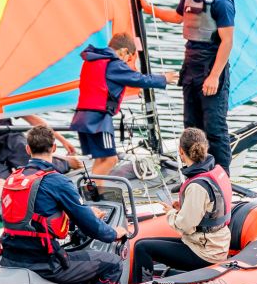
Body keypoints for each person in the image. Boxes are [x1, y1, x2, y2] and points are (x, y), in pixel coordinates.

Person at [137, 0, 235, 172]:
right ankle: (196, 172)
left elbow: (227, 42)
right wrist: (148, 9)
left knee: (214, 128)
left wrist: (214, 76)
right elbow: (178, 16)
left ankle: (222, 178)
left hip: (212, 68)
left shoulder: (221, 2)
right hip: (190, 69)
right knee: (191, 127)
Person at [0, 126, 126, 284]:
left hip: (9, 257)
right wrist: (114, 233)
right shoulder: (57, 181)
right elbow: (93, 229)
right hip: (44, 263)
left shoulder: (13, 179)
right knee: (112, 263)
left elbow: (33, 216)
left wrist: (78, 217)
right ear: (54, 148)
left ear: (28, 149)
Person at [130, 128, 231, 284]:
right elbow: (207, 211)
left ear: (181, 151)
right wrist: (181, 209)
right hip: (213, 243)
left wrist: (170, 213)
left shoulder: (197, 186)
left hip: (205, 253)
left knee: (142, 247)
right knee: (144, 243)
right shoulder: (212, 172)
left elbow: (185, 226)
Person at [70, 33, 177, 179]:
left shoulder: (94, 60)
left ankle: (95, 194)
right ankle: (94, 194)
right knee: (110, 159)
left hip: (82, 117)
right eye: (129, 59)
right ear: (124, 52)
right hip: (98, 120)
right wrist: (164, 78)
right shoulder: (113, 64)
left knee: (101, 159)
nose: (127, 64)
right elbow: (139, 79)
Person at [0, 115, 80, 180]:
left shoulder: (3, 95)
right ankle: (49, 156)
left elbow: (33, 119)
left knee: (38, 171)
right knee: (3, 182)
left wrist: (62, 139)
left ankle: (64, 162)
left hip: (12, 141)